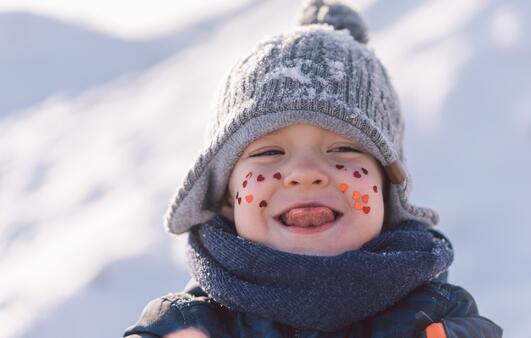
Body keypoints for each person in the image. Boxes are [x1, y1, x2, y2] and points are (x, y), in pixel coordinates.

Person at [124, 1, 502, 337]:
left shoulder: (433, 314)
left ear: (388, 189)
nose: (305, 172)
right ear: (226, 196)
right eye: (270, 151)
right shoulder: (192, 324)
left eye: (343, 148)